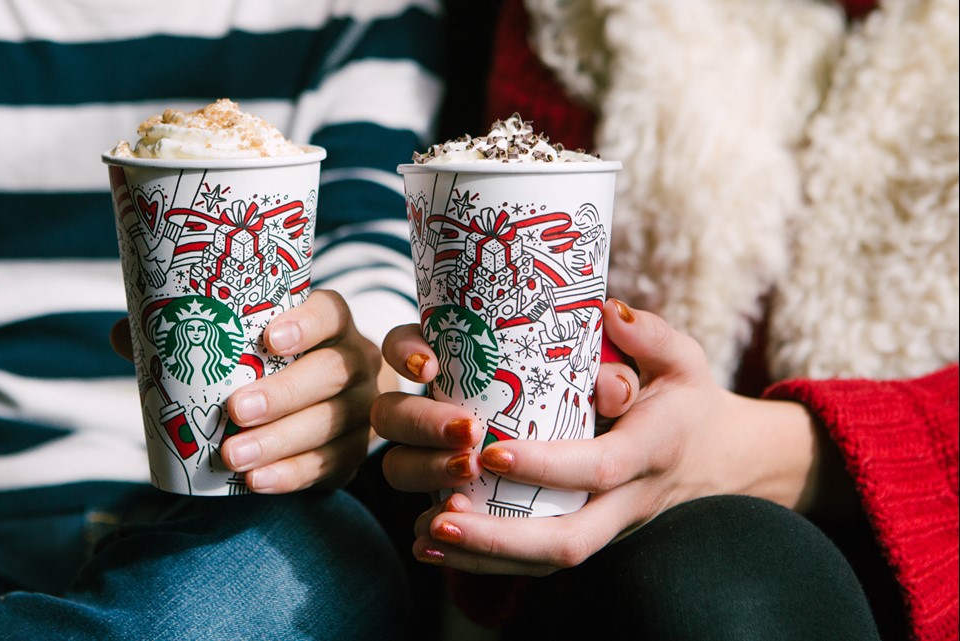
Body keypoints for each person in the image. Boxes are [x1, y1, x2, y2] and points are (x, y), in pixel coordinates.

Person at [0, 1, 444, 639]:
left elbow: (372, 247)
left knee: (295, 579)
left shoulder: (362, 9)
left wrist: (354, 373)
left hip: (239, 508)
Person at [372, 0, 958, 639]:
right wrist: (598, 412)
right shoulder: (584, 14)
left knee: (720, 581)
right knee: (709, 577)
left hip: (919, 559)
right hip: (637, 550)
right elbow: (556, 281)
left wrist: (777, 448)